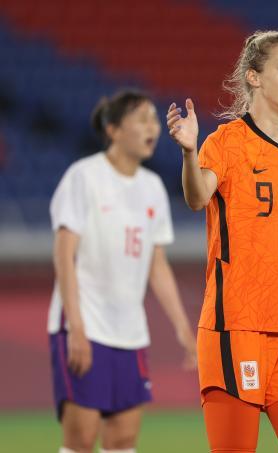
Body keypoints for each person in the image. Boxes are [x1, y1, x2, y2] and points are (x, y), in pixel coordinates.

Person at [166, 30, 278, 453]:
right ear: (253, 77)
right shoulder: (225, 142)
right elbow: (197, 197)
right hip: (237, 326)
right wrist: (189, 152)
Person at [48, 90, 197, 453]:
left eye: (153, 120)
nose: (152, 128)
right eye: (141, 120)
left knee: (123, 440)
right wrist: (76, 328)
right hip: (86, 325)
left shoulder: (152, 187)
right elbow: (64, 255)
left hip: (130, 333)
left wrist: (183, 328)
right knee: (81, 440)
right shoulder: (84, 177)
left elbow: (156, 264)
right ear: (113, 130)